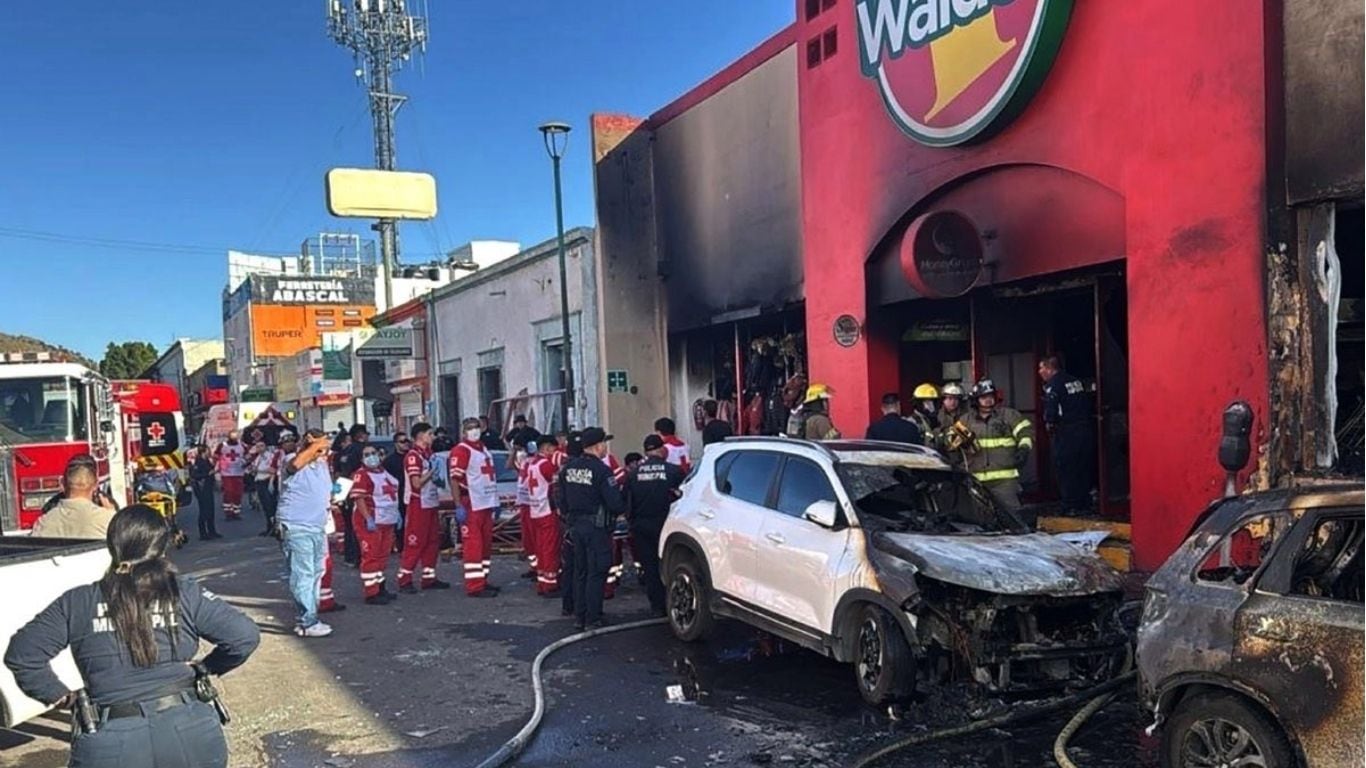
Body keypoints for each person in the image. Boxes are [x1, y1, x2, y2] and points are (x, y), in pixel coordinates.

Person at [4, 504, 260, 768]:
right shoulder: (182, 593)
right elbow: (244, 636)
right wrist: (205, 668)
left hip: (110, 740)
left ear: (112, 546)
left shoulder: (78, 601)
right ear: (162, 549)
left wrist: (59, 695)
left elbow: (23, 655)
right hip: (190, 729)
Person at [560, 428, 626, 630]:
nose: (605, 447)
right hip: (596, 528)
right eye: (604, 443)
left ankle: (580, 616)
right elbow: (615, 503)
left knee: (581, 571)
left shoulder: (569, 468)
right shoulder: (601, 471)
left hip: (575, 526)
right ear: (597, 446)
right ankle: (593, 617)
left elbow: (560, 499)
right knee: (597, 572)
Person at [276, 429, 336, 637]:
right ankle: (307, 621)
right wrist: (313, 447)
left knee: (316, 572)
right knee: (303, 574)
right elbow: (294, 466)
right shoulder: (293, 460)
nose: (324, 451)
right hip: (297, 526)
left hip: (317, 526)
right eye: (321, 447)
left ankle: (310, 616)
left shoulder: (322, 465)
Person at [625, 435, 685, 616]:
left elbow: (627, 504)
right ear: (661, 450)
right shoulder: (674, 471)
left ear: (645, 452)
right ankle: (675, 602)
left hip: (642, 526)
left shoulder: (633, 474)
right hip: (667, 524)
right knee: (672, 563)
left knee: (650, 567)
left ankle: (657, 606)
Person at [959, 379, 1034, 511]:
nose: (988, 400)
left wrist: (1024, 448)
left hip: (1005, 481)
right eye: (983, 397)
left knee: (1012, 516)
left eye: (990, 396)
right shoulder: (966, 420)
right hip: (977, 480)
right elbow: (950, 441)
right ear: (976, 400)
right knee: (980, 517)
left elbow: (1026, 432)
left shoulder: (1009, 415)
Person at [1038, 356, 1097, 515]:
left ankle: (1069, 505)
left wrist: (1049, 424)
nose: (1039, 372)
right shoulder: (1075, 382)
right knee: (1083, 467)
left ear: (1049, 368)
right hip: (1084, 429)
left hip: (1067, 432)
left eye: (1041, 368)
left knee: (1066, 468)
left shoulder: (1053, 386)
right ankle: (1084, 502)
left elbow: (1052, 412)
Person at [450, 417, 500, 597]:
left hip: (485, 502)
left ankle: (483, 579)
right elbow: (455, 480)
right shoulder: (461, 450)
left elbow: (488, 476)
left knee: (485, 545)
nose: (474, 431)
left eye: (476, 427)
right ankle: (474, 586)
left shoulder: (483, 449)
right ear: (464, 432)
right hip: (470, 502)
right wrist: (457, 505)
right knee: (473, 546)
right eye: (470, 428)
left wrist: (495, 501)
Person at [397, 423, 448, 593]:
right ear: (420, 436)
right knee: (415, 542)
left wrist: (438, 478)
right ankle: (405, 579)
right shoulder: (413, 456)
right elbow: (416, 483)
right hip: (418, 503)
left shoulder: (429, 455)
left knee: (432, 541)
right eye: (430, 434)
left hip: (431, 502)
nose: (432, 437)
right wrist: (431, 473)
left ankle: (429, 577)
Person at [349, 442, 400, 606]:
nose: (372, 456)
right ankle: (371, 592)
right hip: (370, 518)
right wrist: (368, 518)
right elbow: (359, 498)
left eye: (373, 453)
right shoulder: (361, 475)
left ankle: (380, 586)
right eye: (367, 454)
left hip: (387, 519)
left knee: (382, 556)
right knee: (371, 555)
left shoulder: (383, 472)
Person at [31, 456, 116, 539]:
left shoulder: (43, 523)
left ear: (62, 484)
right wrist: (116, 518)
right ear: (96, 485)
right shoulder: (107, 520)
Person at [525, 436, 561, 596]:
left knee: (540, 548)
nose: (554, 452)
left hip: (535, 510)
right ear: (546, 448)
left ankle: (542, 582)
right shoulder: (546, 465)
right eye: (553, 449)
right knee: (549, 549)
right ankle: (550, 584)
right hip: (547, 511)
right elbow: (555, 486)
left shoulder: (532, 464)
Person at [249, 435, 283, 537]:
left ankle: (273, 528)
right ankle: (269, 527)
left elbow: (272, 469)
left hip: (267, 481)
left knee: (270, 506)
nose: (259, 448)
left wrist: (258, 470)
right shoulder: (257, 457)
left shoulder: (270, 456)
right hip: (259, 482)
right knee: (265, 507)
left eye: (261, 446)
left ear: (266, 447)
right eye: (258, 446)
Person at [188, 444, 221, 541]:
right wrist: (208, 474)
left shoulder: (207, 461)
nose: (209, 452)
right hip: (201, 489)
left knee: (211, 510)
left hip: (208, 487)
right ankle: (203, 533)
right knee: (204, 510)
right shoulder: (198, 462)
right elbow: (195, 475)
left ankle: (212, 531)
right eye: (208, 450)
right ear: (204, 451)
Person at [214, 430, 247, 521]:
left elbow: (248, 456)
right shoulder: (223, 445)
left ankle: (236, 512)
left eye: (235, 437)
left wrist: (246, 463)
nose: (234, 439)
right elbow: (215, 455)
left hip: (238, 472)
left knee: (238, 493)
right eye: (232, 437)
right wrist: (221, 464)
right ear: (228, 437)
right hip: (227, 473)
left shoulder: (242, 445)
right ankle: (228, 513)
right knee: (228, 492)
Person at [935, 382, 970, 464]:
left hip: (964, 460)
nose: (953, 402)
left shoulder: (967, 417)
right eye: (950, 398)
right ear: (943, 400)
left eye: (956, 399)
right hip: (943, 459)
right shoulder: (936, 417)